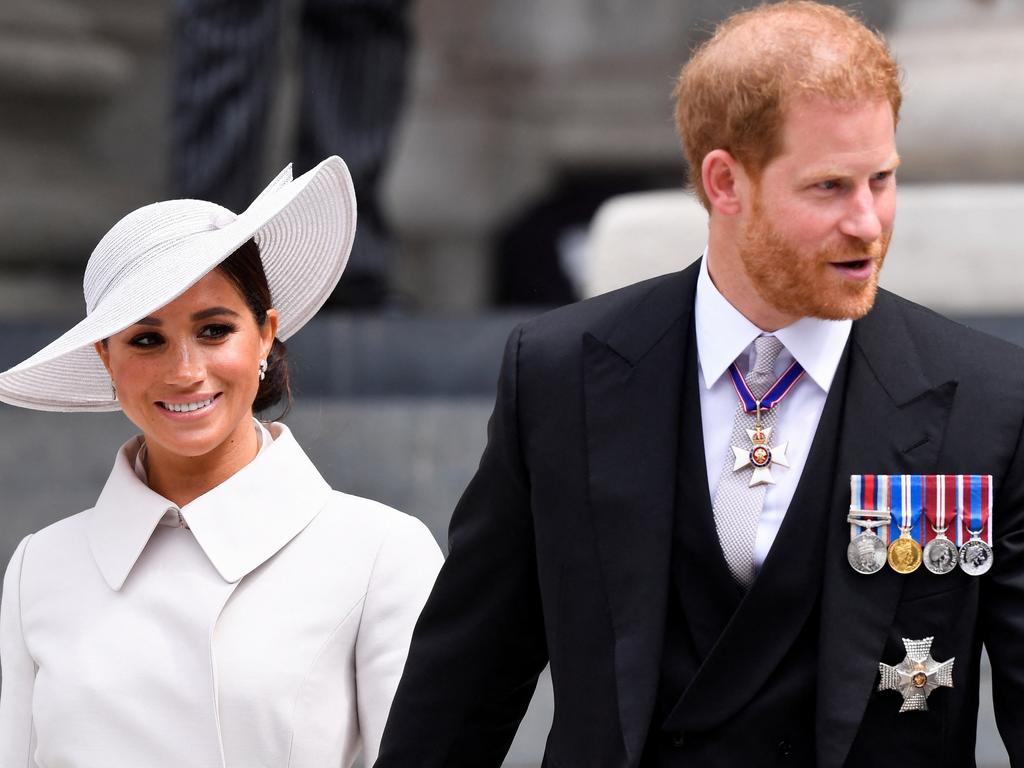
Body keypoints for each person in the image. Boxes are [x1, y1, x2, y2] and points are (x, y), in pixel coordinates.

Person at [374, 3, 1024, 766]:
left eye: (881, 180)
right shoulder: (562, 375)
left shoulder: (987, 397)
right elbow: (461, 688)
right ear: (724, 182)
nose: (868, 222)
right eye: (828, 187)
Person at [0, 156, 443, 766]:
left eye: (214, 330)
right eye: (147, 339)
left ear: (266, 333)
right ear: (106, 358)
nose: (185, 372)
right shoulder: (38, 571)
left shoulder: (381, 555)